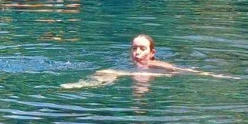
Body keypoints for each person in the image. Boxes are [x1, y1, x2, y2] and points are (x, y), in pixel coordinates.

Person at [61, 34, 229, 88]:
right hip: (133, 73)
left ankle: (81, 85)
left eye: (142, 49)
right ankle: (84, 84)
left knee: (111, 73)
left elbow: (180, 70)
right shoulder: (129, 63)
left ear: (152, 52)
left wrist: (212, 75)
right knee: (106, 72)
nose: (137, 52)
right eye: (134, 48)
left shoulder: (155, 64)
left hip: (155, 76)